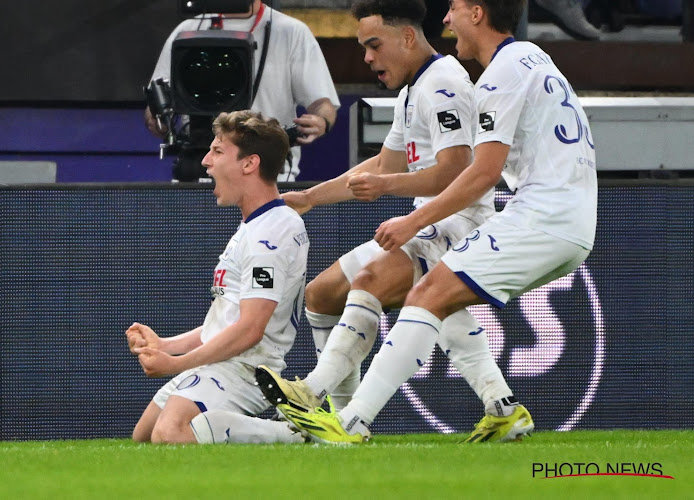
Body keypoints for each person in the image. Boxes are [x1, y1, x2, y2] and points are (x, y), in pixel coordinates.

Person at [281, 0, 597, 444]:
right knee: (417, 296)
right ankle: (501, 407)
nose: (445, 19)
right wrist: (312, 197)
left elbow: (476, 172)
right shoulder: (530, 58)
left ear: (477, 12)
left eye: (453, 8)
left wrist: (412, 220)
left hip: (533, 216)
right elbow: (385, 166)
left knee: (418, 291)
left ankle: (343, 415)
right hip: (567, 216)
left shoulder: (483, 77)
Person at [127, 110, 310, 444]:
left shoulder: (271, 231)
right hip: (222, 362)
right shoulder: (255, 225)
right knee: (144, 437)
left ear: (249, 164)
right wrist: (164, 345)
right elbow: (229, 321)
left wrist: (174, 364)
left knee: (169, 434)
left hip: (245, 370)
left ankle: (296, 432)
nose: (206, 162)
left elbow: (251, 329)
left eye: (218, 151)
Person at [145, 0, 340, 181]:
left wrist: (321, 121)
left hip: (269, 177)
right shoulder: (187, 31)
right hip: (199, 171)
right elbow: (155, 105)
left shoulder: (291, 32)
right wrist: (158, 120)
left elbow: (323, 104)